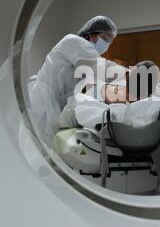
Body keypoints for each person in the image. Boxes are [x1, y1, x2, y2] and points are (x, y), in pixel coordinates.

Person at [29, 16, 118, 145]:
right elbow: (99, 68)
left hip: (56, 107)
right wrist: (132, 75)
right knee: (36, 147)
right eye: (105, 39)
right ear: (91, 34)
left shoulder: (85, 53)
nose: (107, 45)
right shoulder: (73, 41)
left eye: (110, 42)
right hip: (44, 105)